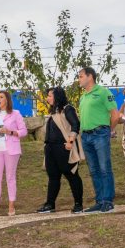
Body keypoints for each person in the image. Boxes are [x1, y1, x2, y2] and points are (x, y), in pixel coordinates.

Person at [78, 67, 120, 213]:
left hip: (100, 134)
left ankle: (108, 201)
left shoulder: (103, 92)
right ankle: (100, 200)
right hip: (86, 136)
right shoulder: (82, 97)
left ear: (90, 77)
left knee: (104, 168)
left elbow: (115, 115)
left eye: (81, 76)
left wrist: (109, 131)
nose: (79, 79)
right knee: (94, 170)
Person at [37, 86, 84, 214]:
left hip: (64, 147)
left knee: (72, 175)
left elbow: (76, 124)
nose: (47, 98)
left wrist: (70, 141)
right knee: (53, 177)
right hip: (51, 148)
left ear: (57, 96)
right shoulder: (53, 111)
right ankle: (50, 204)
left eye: (50, 96)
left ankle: (78, 204)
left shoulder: (67, 109)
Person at [0, 91, 28, 217]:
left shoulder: (15, 114)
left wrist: (10, 132)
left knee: (10, 178)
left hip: (11, 150)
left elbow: (24, 131)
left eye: (1, 97)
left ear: (7, 100)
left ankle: (11, 206)